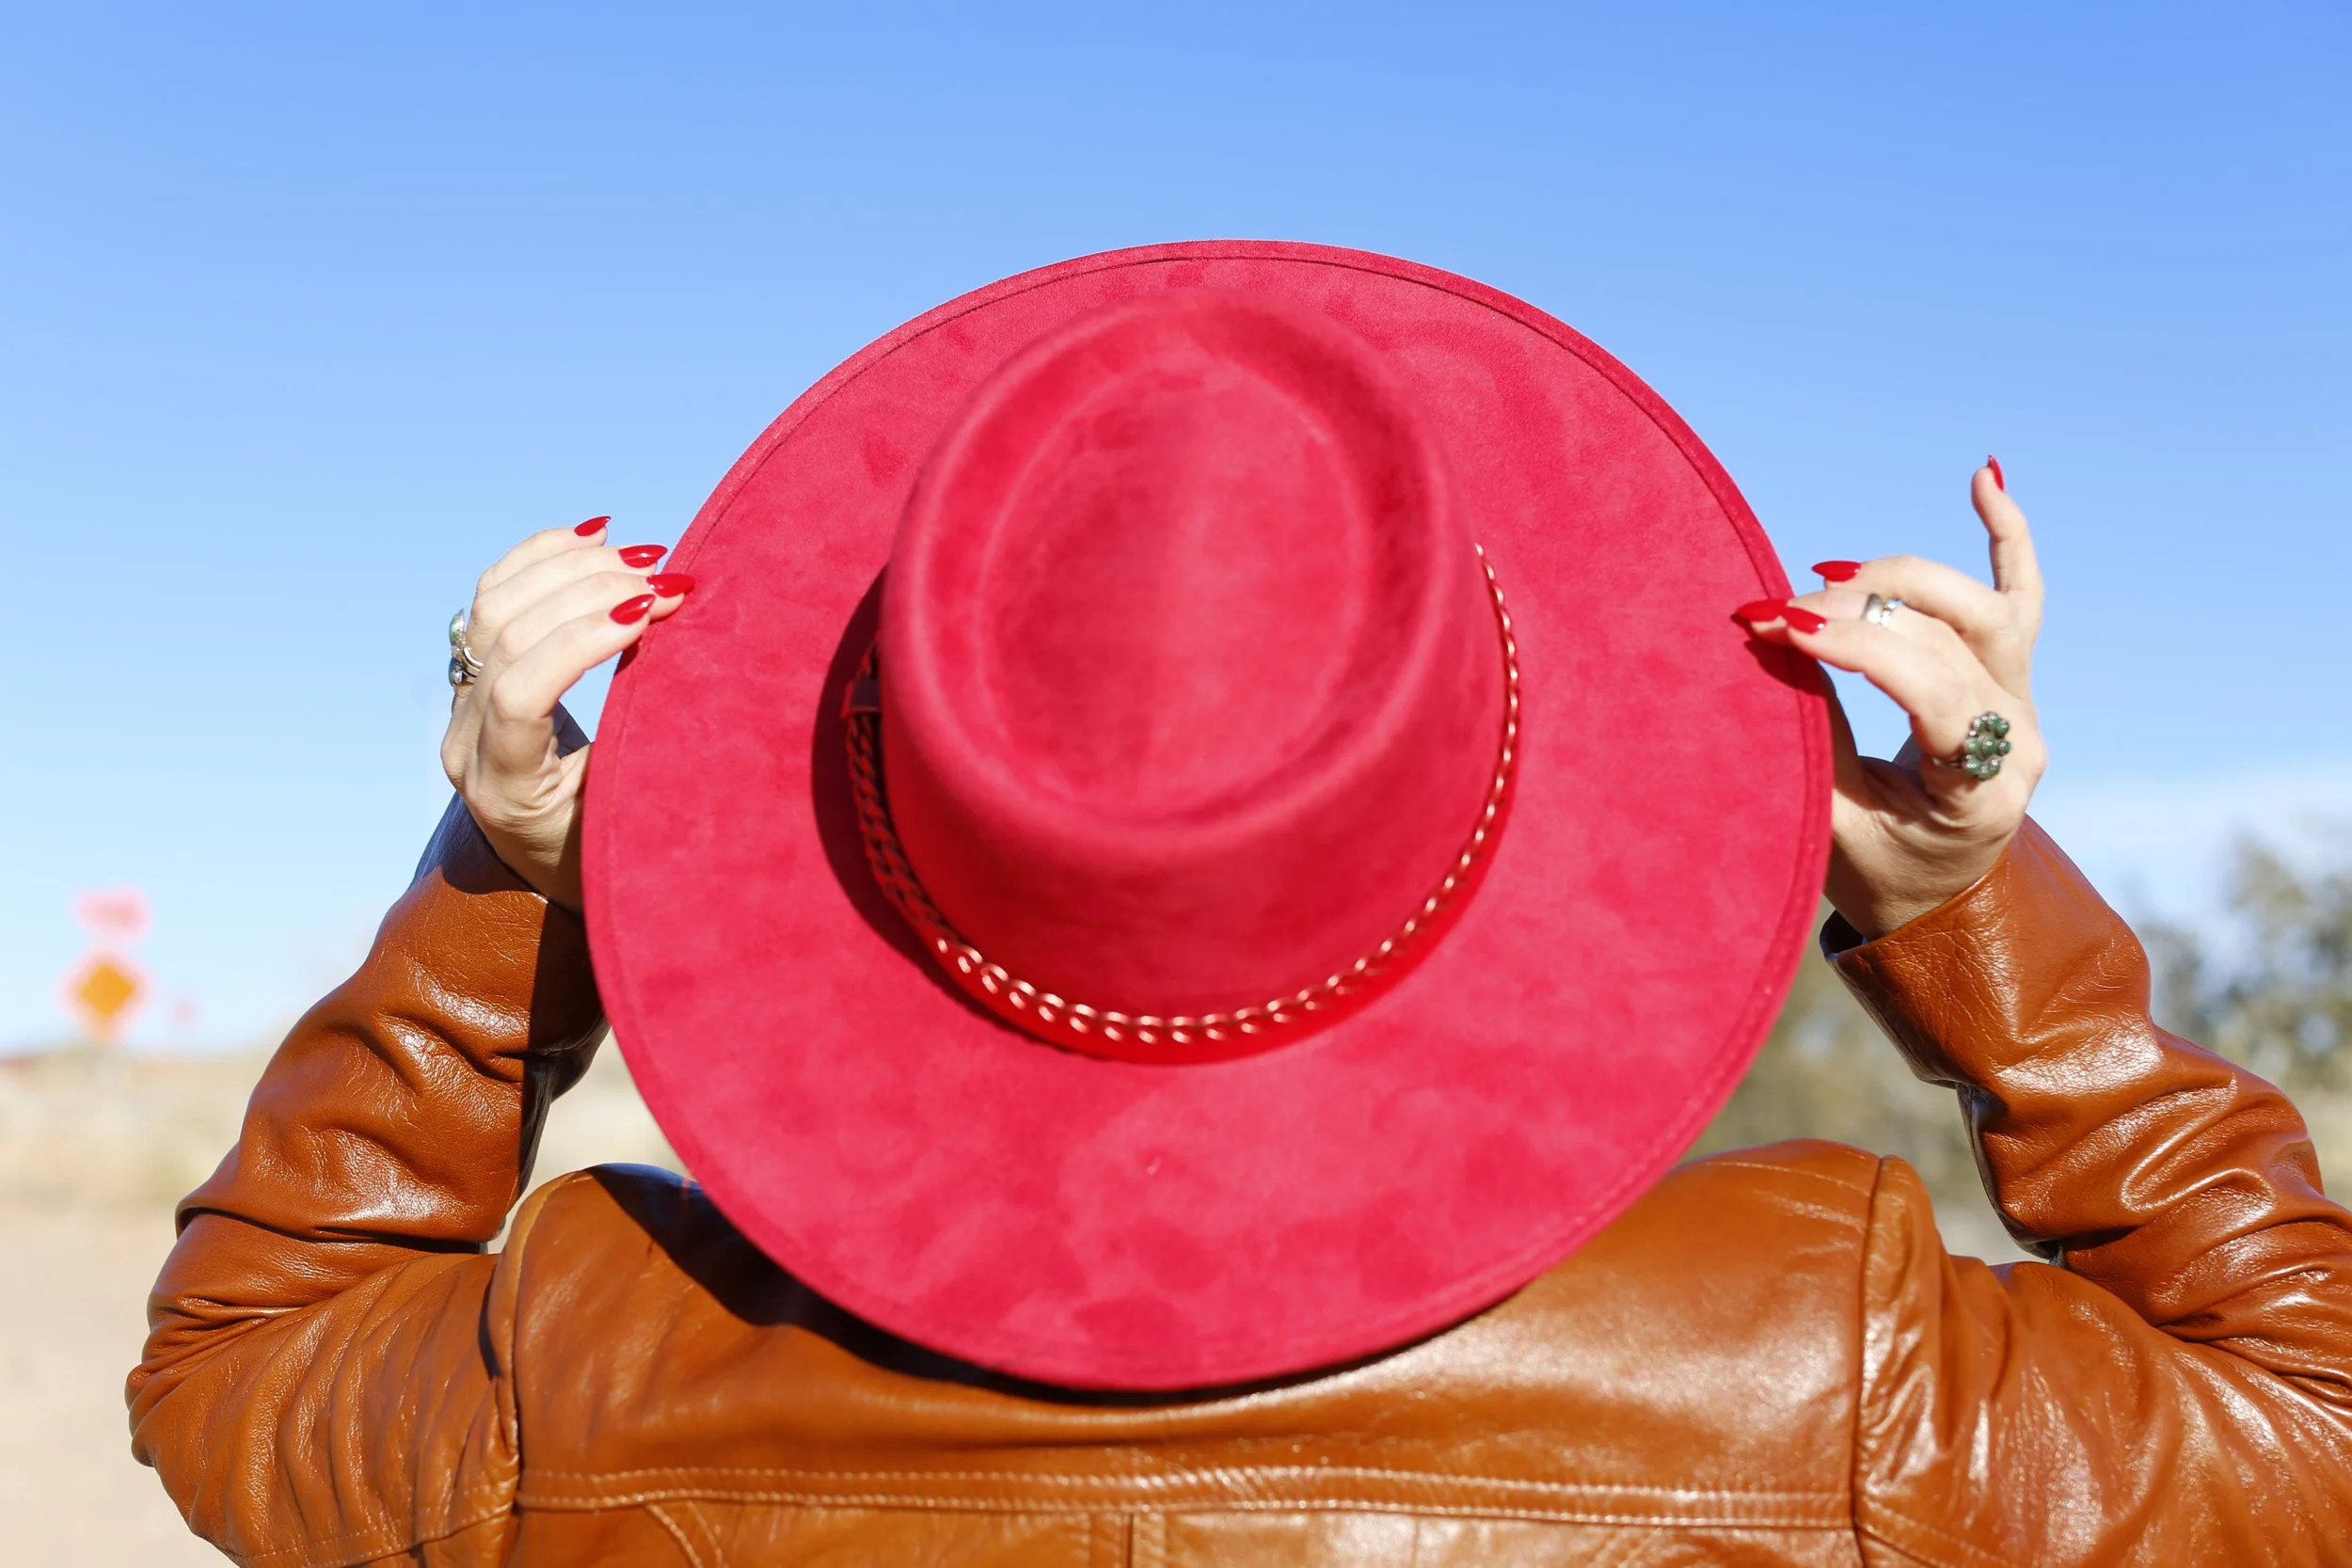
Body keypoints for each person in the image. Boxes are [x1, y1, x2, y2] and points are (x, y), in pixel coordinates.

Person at [133, 245, 2352, 1565]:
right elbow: (2310, 1419)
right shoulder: (1810, 1355)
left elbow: (237, 1367)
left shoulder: (596, 1364)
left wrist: (517, 883)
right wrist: (1968, 910)